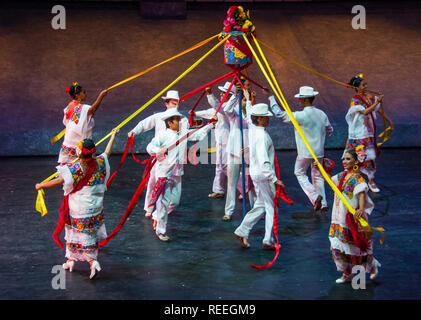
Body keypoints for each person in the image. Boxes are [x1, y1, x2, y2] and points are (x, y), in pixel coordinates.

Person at [35, 129, 119, 280]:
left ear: (79, 153)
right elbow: (107, 152)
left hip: (80, 208)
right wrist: (113, 135)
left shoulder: (74, 169)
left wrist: (42, 185)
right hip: (95, 207)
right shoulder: (100, 162)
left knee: (78, 234)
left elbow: (59, 181)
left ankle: (92, 261)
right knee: (87, 234)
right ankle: (70, 260)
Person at [146, 109, 217, 241]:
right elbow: (150, 147)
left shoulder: (182, 135)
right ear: (170, 122)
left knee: (175, 202)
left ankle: (156, 216)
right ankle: (161, 231)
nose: (179, 122)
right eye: (177, 120)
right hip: (165, 175)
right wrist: (159, 150)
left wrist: (211, 124)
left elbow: (198, 134)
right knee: (163, 202)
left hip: (176, 174)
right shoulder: (162, 136)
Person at [317, 148, 381, 283]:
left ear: (356, 161)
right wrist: (320, 168)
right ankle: (347, 273)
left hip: (352, 218)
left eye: (348, 159)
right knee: (337, 247)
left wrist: (361, 209)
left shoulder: (357, 179)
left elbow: (362, 194)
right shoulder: (341, 176)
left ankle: (364, 275)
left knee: (356, 249)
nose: (344, 161)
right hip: (338, 218)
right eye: (343, 159)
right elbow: (328, 180)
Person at [265, 86, 333, 212]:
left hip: (305, 152)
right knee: (317, 176)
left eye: (300, 98)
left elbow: (280, 115)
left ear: (306, 99)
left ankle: (315, 196)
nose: (299, 101)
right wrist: (321, 138)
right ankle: (323, 203)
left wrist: (271, 97)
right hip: (318, 152)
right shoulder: (321, 114)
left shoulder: (301, 115)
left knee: (299, 172)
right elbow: (329, 129)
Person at [234, 94, 285, 249]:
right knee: (271, 208)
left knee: (261, 205)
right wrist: (274, 179)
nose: (268, 119)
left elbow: (249, 115)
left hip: (256, 173)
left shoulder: (253, 127)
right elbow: (264, 159)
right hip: (263, 174)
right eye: (265, 117)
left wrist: (249, 99)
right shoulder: (262, 135)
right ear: (259, 119)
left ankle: (242, 231)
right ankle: (268, 240)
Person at [128, 90, 188, 218]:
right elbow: (144, 124)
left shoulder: (183, 120)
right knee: (153, 183)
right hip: (160, 158)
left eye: (177, 103)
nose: (175, 106)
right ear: (166, 103)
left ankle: (159, 213)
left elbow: (185, 139)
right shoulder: (159, 117)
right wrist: (134, 131)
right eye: (173, 103)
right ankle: (149, 208)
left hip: (175, 160)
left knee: (175, 196)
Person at [190, 82, 233, 198]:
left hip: (228, 141)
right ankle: (219, 190)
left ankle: (243, 188)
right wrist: (195, 113)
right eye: (221, 92)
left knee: (227, 166)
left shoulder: (230, 108)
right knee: (220, 166)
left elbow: (216, 107)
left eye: (224, 93)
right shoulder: (221, 107)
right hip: (221, 141)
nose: (221, 94)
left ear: (230, 95)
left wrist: (209, 94)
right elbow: (209, 112)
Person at [222, 80, 256, 221]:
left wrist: (249, 102)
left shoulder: (253, 111)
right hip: (234, 151)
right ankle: (229, 211)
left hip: (248, 152)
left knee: (251, 181)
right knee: (231, 182)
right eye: (241, 99)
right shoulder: (234, 111)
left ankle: (255, 210)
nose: (243, 101)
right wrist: (234, 95)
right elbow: (226, 109)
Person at [345, 74, 385, 192]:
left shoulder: (369, 96)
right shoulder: (355, 100)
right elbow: (365, 111)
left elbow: (377, 109)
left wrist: (388, 120)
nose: (366, 86)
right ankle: (353, 181)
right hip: (359, 132)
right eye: (363, 85)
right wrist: (377, 101)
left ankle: (371, 180)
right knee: (356, 156)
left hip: (368, 131)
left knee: (369, 157)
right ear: (357, 87)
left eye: (366, 84)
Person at [59, 82, 108, 164]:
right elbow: (92, 110)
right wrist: (101, 96)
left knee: (68, 167)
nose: (85, 94)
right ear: (77, 95)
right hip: (78, 143)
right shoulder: (81, 108)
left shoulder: (70, 105)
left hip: (68, 142)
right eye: (83, 92)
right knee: (83, 167)